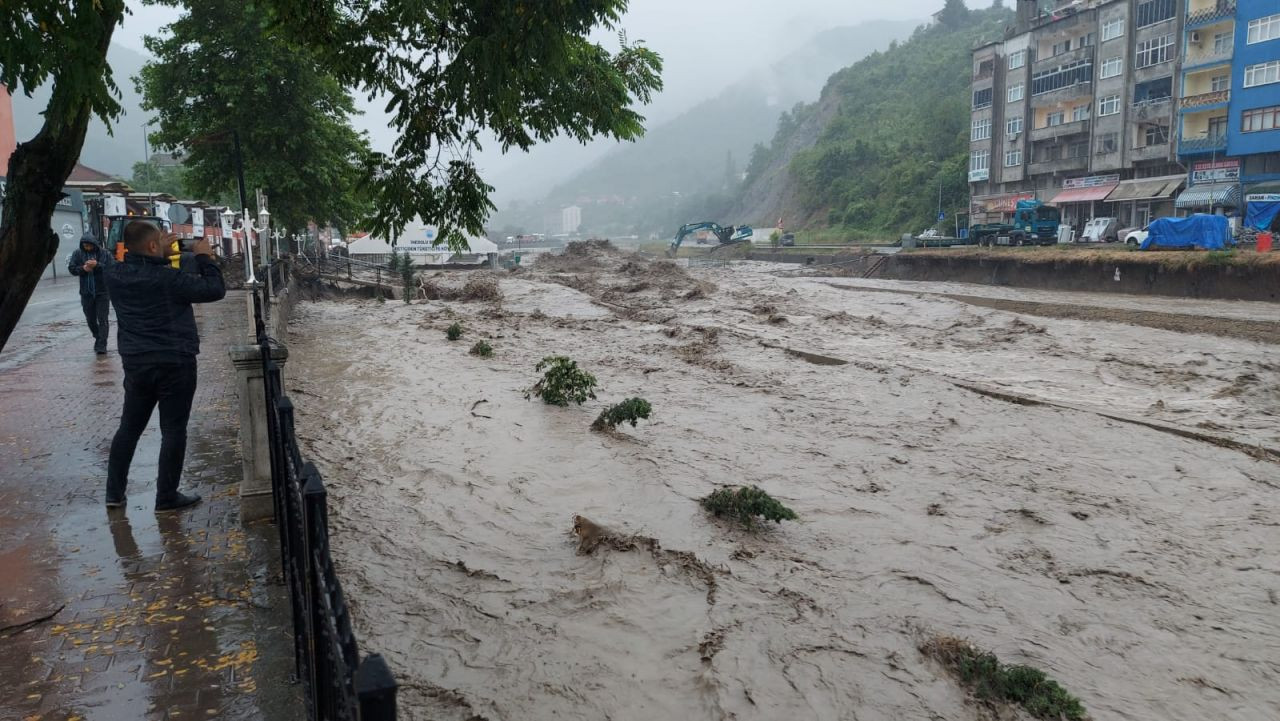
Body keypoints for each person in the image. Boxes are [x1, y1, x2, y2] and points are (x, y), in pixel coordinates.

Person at [105, 221, 226, 511]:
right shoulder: (169, 279)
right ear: (151, 246)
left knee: (129, 428)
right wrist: (204, 257)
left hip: (137, 363)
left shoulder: (114, 274)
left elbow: (144, 264)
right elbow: (214, 289)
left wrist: (163, 252)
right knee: (173, 430)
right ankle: (166, 496)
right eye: (161, 240)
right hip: (175, 362)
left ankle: (114, 494)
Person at [67, 232, 113, 354]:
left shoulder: (105, 253)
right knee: (90, 319)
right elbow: (72, 268)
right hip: (86, 293)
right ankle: (98, 337)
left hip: (102, 292)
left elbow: (112, 268)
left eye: (89, 245)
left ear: (94, 244)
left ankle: (102, 345)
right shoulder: (77, 253)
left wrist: (97, 265)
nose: (87, 247)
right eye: (85, 245)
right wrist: (83, 269)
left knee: (103, 319)